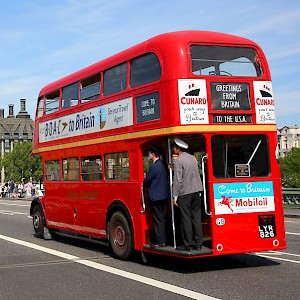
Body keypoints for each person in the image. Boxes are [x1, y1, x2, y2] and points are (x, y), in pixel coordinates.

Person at [172, 138, 203, 251]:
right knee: (196, 218)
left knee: (186, 218)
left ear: (177, 149)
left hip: (185, 193)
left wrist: (175, 196)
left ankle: (188, 244)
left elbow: (178, 180)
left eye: (174, 148)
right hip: (196, 191)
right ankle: (198, 242)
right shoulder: (193, 158)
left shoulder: (179, 161)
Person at [143, 145, 169, 247]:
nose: (148, 155)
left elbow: (147, 181)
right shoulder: (162, 165)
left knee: (158, 220)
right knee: (163, 218)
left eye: (149, 153)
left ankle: (160, 241)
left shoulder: (154, 167)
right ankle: (166, 239)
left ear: (153, 155)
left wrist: (144, 182)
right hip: (164, 195)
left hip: (155, 197)